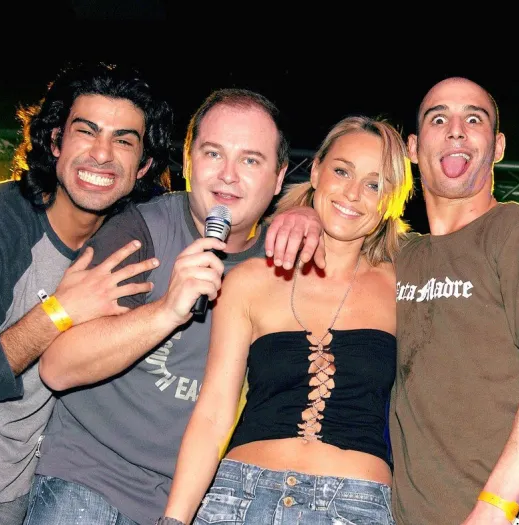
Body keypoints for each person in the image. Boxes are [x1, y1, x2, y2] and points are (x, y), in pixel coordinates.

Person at [266, 77, 519, 525]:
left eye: (473, 119)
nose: (456, 129)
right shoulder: (402, 257)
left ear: (497, 147)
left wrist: (496, 507)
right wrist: (304, 211)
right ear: (414, 148)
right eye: (440, 118)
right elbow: (343, 231)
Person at [0, 61, 174, 525]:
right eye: (86, 132)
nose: (102, 154)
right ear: (56, 142)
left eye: (123, 140)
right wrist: (61, 311)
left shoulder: (127, 252)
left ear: (142, 166)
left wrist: (298, 213)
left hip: (6, 489)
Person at [24, 88, 292, 525]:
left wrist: (311, 214)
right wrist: (168, 308)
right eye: (212, 154)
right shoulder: (141, 228)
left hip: (204, 497)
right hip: (91, 472)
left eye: (250, 160)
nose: (228, 176)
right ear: (188, 162)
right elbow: (57, 366)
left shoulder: (286, 262)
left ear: (279, 178)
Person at [161, 115, 414, 525]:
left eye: (374, 184)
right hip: (238, 499)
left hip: (356, 505)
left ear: (391, 200)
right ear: (315, 170)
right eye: (342, 171)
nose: (353, 193)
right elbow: (213, 414)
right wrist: (174, 519)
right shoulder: (247, 281)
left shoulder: (406, 285)